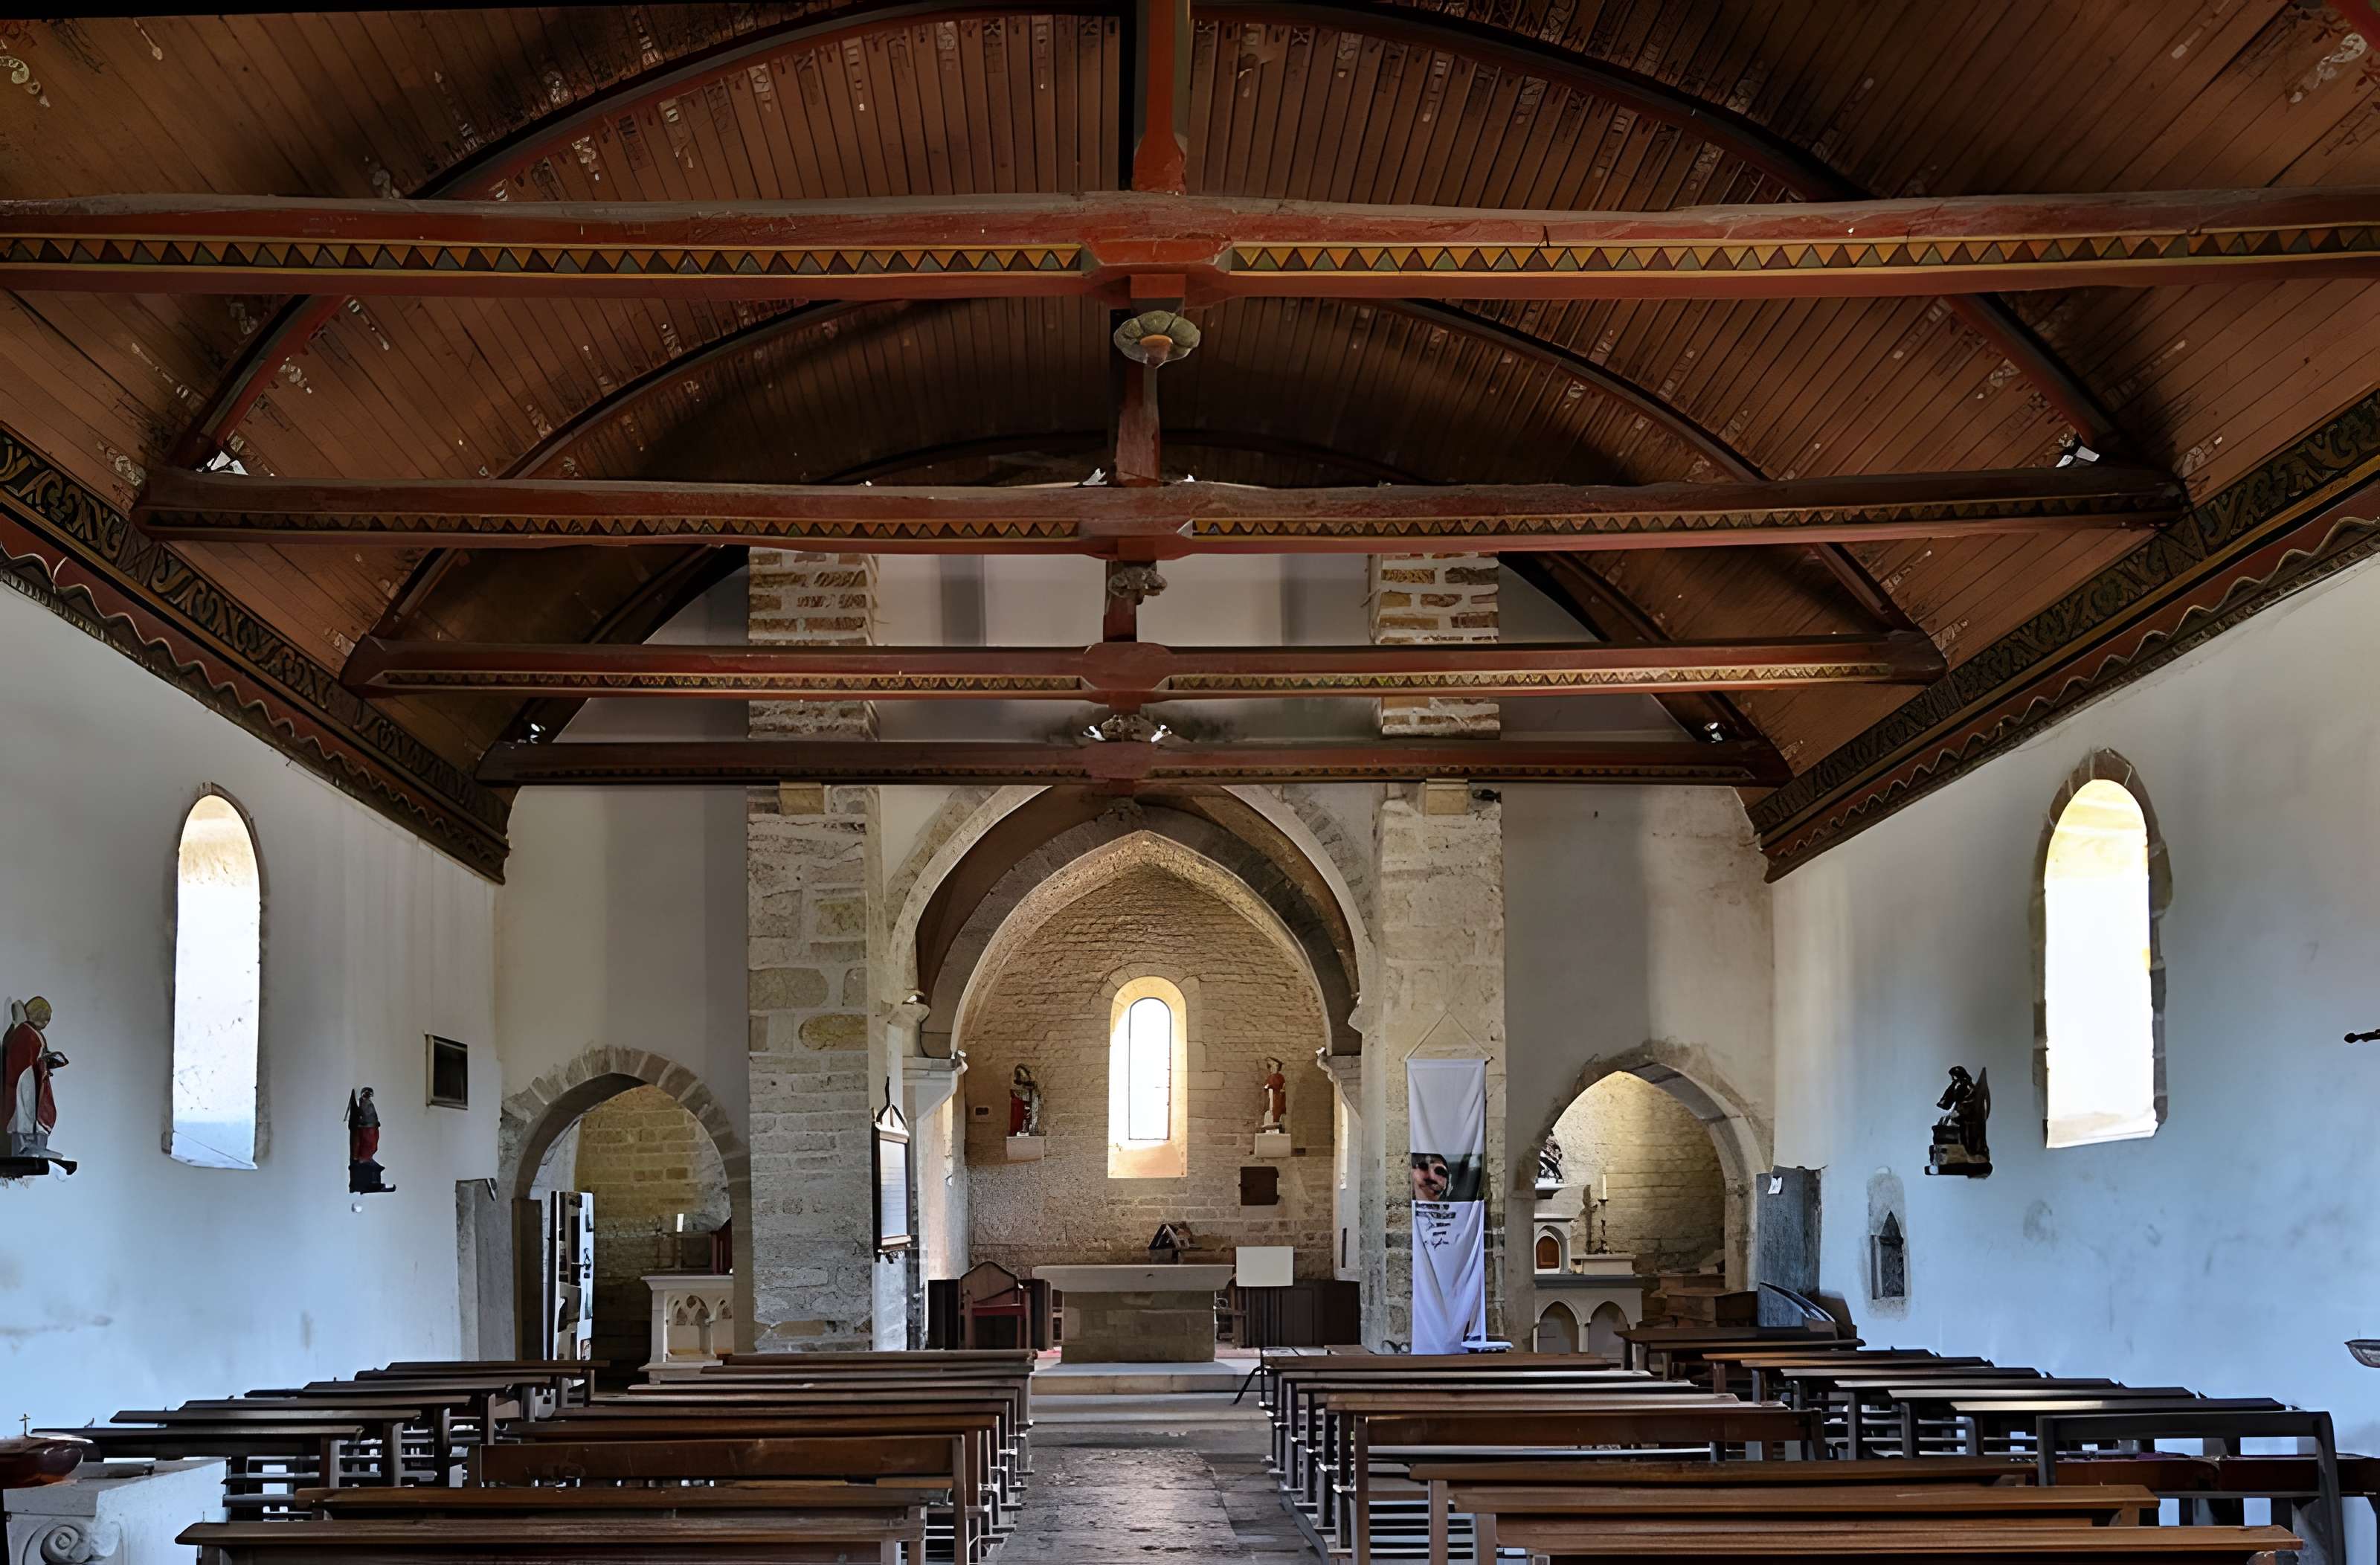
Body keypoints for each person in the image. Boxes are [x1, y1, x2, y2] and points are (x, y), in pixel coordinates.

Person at [2, 997, 69, 1169]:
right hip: (26, 1081)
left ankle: (32, 1146)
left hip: (30, 1079)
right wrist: (44, 1062)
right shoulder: (27, 1034)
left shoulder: (27, 1033)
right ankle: (27, 1147)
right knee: (27, 1114)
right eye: (46, 1017)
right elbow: (27, 1060)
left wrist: (46, 1062)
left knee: (31, 1114)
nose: (48, 1022)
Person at [1258, 1057, 1287, 1132]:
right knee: (1271, 1110)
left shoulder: (1280, 1077)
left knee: (1277, 1110)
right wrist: (1267, 1086)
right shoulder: (1271, 1077)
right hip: (1272, 1095)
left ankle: (1276, 1125)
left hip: (1278, 1096)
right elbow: (1267, 1085)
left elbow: (1282, 1085)